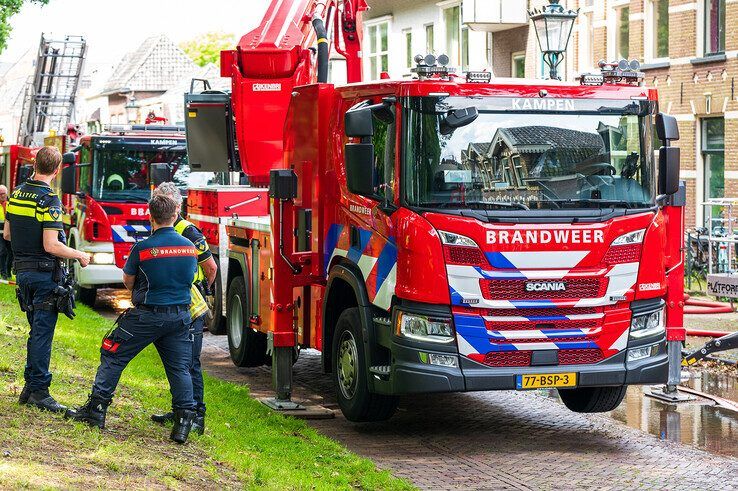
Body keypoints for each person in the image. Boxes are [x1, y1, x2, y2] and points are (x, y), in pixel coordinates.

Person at [65, 194, 199, 444]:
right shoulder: (189, 247)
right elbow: (191, 276)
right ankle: (183, 423)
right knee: (180, 369)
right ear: (175, 215)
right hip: (180, 316)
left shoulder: (143, 248)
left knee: (113, 354)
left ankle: (96, 410)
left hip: (147, 315)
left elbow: (128, 280)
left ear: (151, 217)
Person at [3, 147, 90, 412]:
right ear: (57, 169)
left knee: (35, 330)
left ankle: (30, 387)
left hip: (24, 275)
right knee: (42, 334)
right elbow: (52, 245)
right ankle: (40, 391)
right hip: (43, 275)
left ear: (35, 164)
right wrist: (80, 254)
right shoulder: (48, 200)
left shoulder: (17, 194)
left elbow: (7, 234)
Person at [149, 182, 217, 435]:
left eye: (166, 203)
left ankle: (197, 415)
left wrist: (199, 291)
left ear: (178, 207)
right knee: (176, 361)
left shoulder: (189, 232)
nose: (161, 208)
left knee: (190, 362)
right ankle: (180, 409)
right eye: (158, 202)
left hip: (189, 305)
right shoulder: (160, 227)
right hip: (170, 304)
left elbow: (211, 268)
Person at [0, 184, 12, 279]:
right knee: (2, 252)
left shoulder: (11, 204)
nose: (2, 196)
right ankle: (3, 273)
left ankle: (8, 271)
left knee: (11, 253)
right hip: (0, 234)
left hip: (9, 233)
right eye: (0, 194)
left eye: (3, 194)